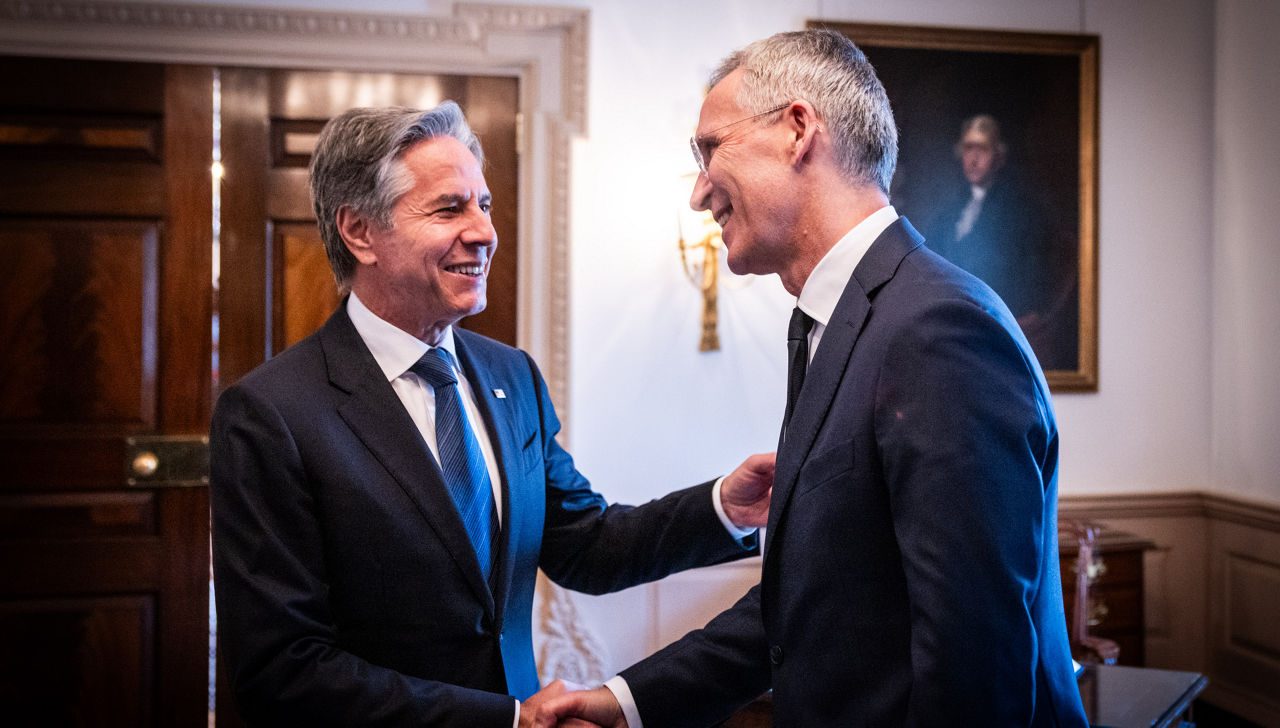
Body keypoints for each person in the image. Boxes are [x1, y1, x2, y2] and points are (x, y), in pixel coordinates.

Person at [536, 29, 1087, 728]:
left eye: (710, 150)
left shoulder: (937, 331)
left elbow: (975, 659)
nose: (701, 192)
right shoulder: (837, 324)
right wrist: (624, 704)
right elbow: (806, 607)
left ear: (799, 129)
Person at [209, 102, 774, 728]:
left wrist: (725, 507)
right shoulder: (270, 415)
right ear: (359, 232)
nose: (483, 232)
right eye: (450, 208)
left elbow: (583, 545)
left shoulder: (511, 376)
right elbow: (282, 670)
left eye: (485, 206)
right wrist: (504, 720)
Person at [922, 114, 1076, 369]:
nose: (973, 158)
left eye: (982, 149)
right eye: (968, 148)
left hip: (1003, 323)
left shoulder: (1020, 207)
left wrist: (1025, 316)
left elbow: (1035, 269)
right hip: (959, 322)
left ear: (998, 156)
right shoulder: (951, 209)